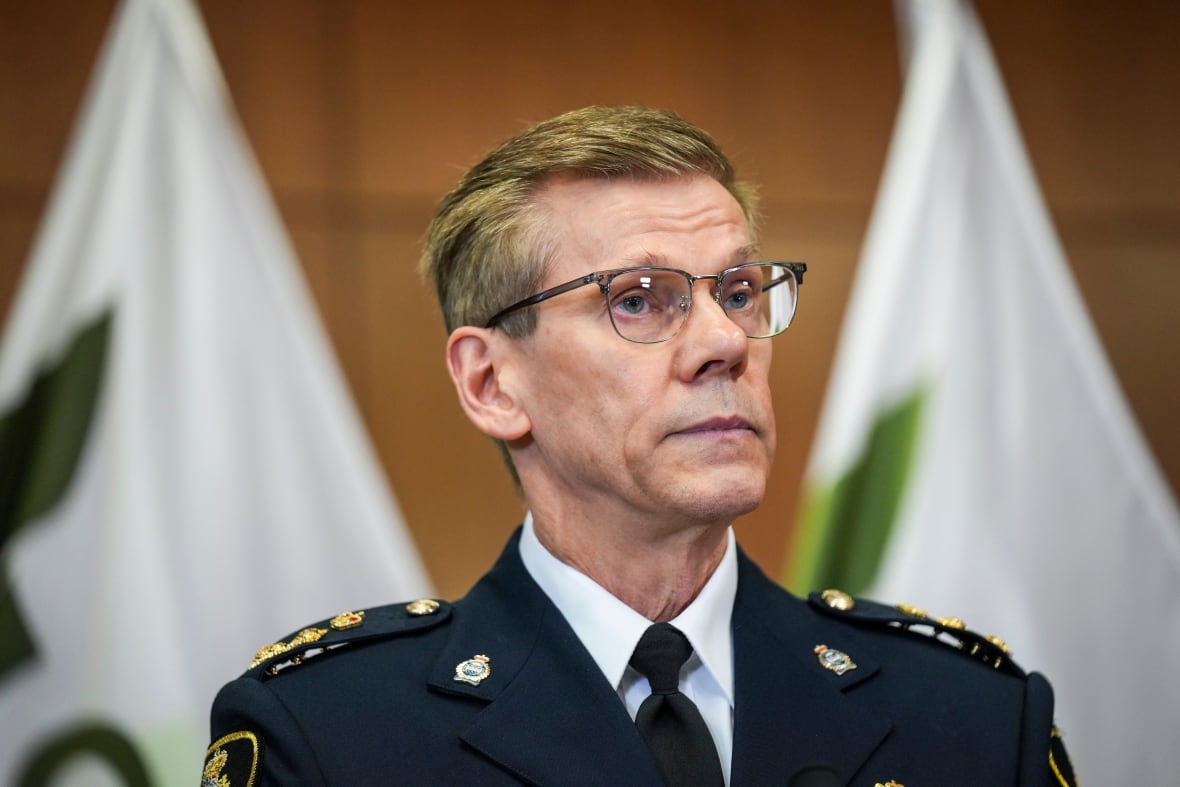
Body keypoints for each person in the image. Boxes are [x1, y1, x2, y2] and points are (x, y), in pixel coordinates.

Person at [202, 105, 1075, 786]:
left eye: (738, 290)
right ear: (491, 383)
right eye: (638, 299)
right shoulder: (328, 736)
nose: (723, 342)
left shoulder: (978, 719)